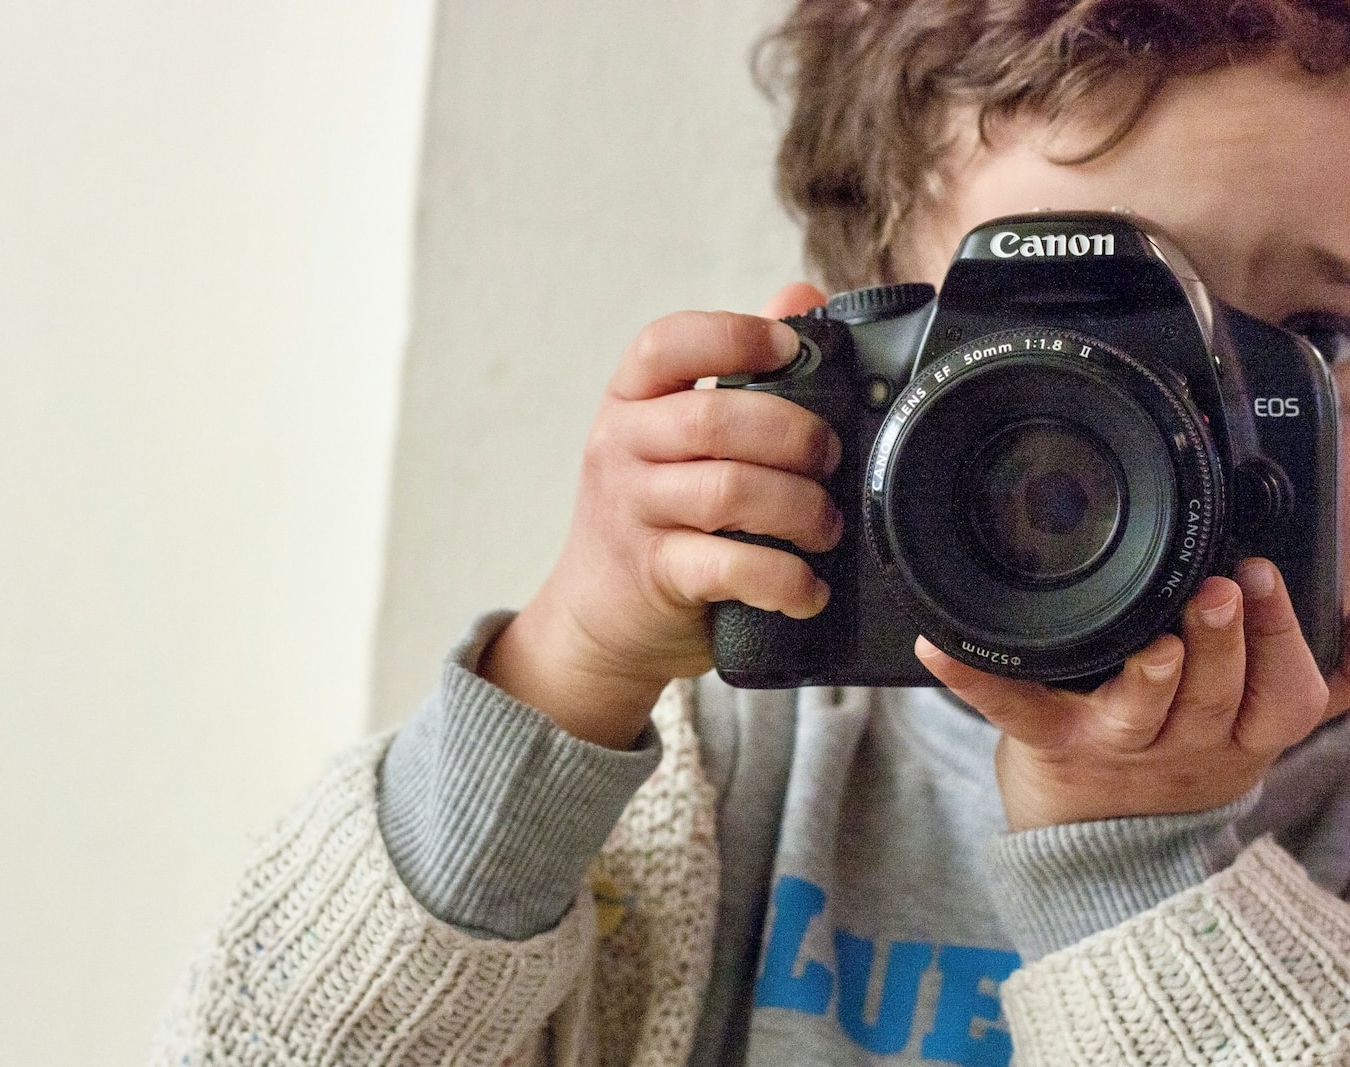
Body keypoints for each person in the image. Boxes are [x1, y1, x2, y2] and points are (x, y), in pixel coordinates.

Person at [149, 2, 1350, 1064]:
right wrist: (565, 669)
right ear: (864, 359)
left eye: (1318, 334)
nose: (1189, 415)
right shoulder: (720, 763)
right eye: (1074, 339)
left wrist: (1132, 867)